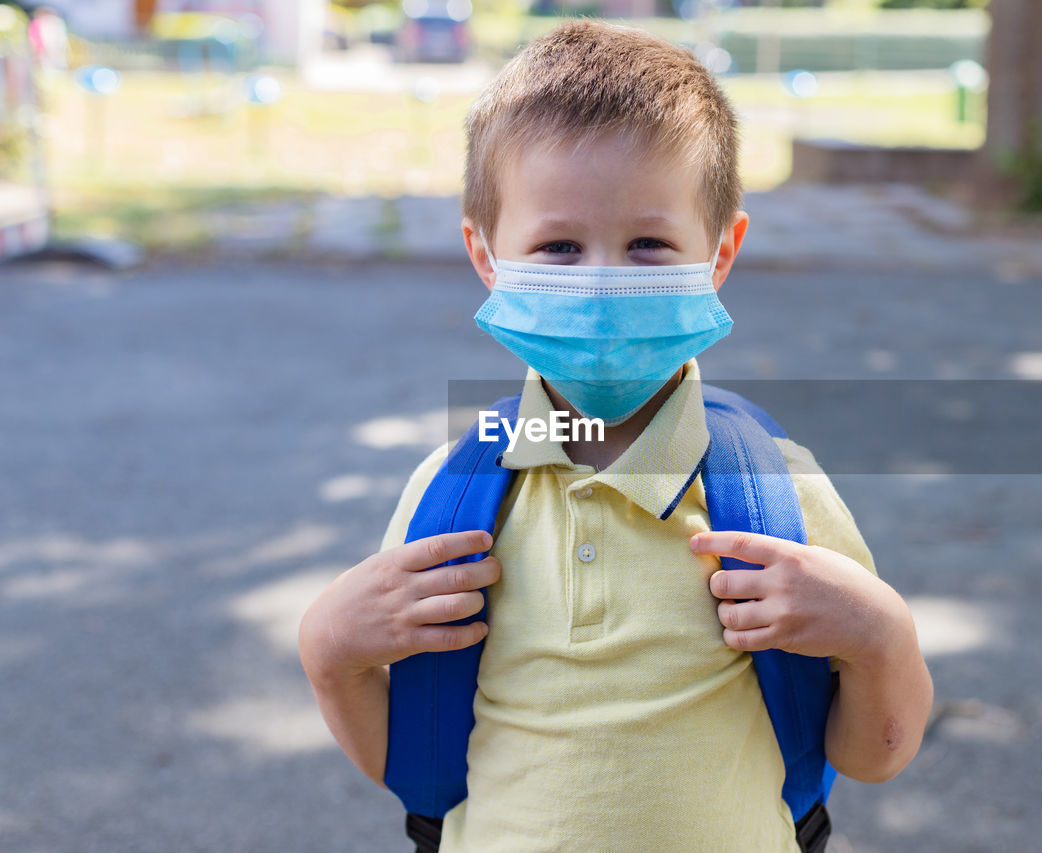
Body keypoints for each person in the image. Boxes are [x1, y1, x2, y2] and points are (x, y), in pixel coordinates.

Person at [298, 18, 933, 852]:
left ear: (720, 252)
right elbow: (414, 762)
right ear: (486, 254)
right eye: (558, 245)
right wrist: (327, 651)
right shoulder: (448, 498)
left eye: (647, 244)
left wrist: (882, 635)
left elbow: (869, 754)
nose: (602, 281)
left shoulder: (777, 488)